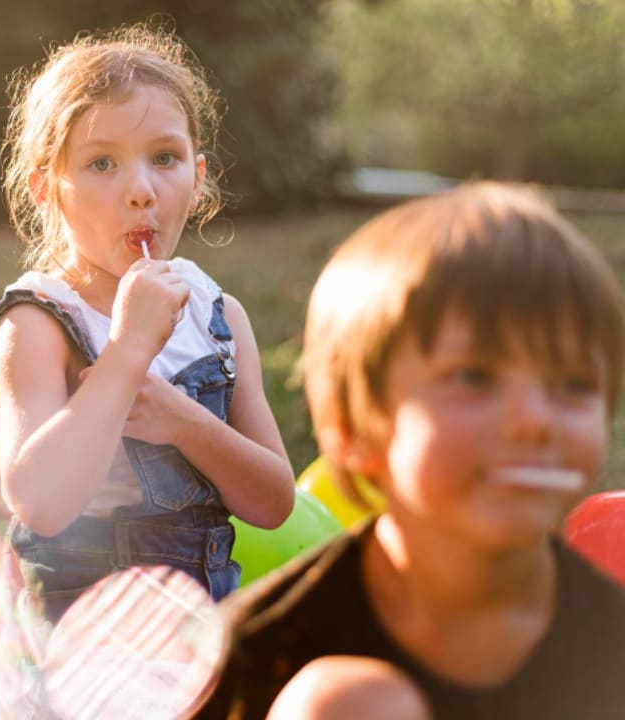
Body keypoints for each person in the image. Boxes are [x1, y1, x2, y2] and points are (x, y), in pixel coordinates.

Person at [196, 183, 625, 719]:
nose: (535, 420)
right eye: (474, 377)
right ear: (357, 429)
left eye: (573, 385)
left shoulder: (609, 643)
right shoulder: (265, 651)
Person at [0, 23, 295, 623]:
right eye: (101, 164)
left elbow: (274, 501)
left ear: (197, 180)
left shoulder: (218, 317)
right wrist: (127, 349)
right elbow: (40, 502)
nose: (141, 191)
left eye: (164, 159)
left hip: (198, 636)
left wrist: (182, 422)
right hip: (79, 647)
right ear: (47, 189)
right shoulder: (37, 323)